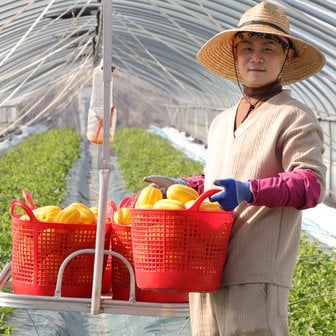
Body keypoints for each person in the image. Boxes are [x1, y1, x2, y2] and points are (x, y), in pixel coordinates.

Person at [144, 2, 327, 335]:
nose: (256, 57)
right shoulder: (221, 121)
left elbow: (310, 184)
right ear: (235, 55)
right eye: (247, 48)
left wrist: (250, 191)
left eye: (268, 48)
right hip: (206, 268)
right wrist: (185, 185)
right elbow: (223, 177)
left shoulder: (294, 115)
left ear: (286, 57)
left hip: (255, 274)